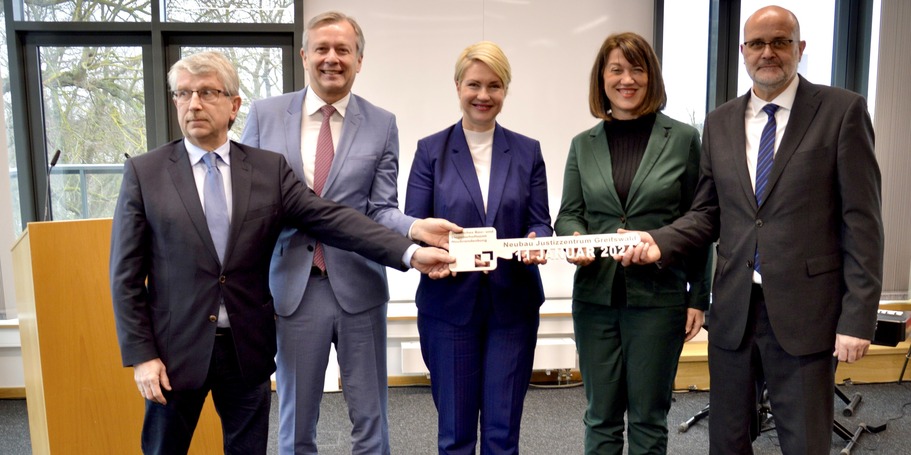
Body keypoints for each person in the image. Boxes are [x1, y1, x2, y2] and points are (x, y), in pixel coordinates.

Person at [109, 50, 456, 455]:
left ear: (234, 105)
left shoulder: (265, 170)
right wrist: (142, 355)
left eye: (207, 92)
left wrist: (410, 252)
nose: (194, 104)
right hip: (174, 353)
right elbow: (126, 277)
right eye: (183, 94)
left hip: (245, 349)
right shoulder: (145, 173)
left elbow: (334, 220)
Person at [618, 6, 883, 454]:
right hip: (735, 312)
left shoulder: (842, 111)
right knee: (727, 441)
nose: (768, 52)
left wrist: (857, 317)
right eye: (757, 44)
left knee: (803, 442)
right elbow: (706, 213)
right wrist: (657, 240)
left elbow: (862, 223)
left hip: (807, 314)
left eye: (780, 42)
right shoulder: (720, 122)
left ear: (800, 49)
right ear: (743, 52)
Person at [238, 11, 458, 455]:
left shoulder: (381, 123)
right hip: (293, 289)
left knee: (370, 421)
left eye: (343, 50)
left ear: (360, 60)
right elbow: (246, 201)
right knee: (296, 424)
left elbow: (379, 210)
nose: (332, 59)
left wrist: (415, 229)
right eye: (322, 48)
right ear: (304, 55)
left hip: (360, 286)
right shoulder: (264, 115)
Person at [553, 32, 710, 455]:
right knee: (600, 416)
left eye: (637, 69)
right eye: (616, 69)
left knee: (648, 417)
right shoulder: (582, 145)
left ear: (651, 76)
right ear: (602, 78)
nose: (627, 79)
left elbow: (699, 221)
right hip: (595, 297)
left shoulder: (681, 139)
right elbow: (569, 213)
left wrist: (700, 296)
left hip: (660, 299)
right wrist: (574, 237)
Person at [404, 41, 552, 454]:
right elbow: (412, 225)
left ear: (505, 90)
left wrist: (538, 240)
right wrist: (427, 256)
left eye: (494, 86)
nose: (483, 95)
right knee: (455, 433)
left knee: (503, 434)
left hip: (513, 306)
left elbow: (540, 221)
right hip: (448, 305)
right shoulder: (430, 151)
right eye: (474, 84)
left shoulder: (527, 151)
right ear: (457, 86)